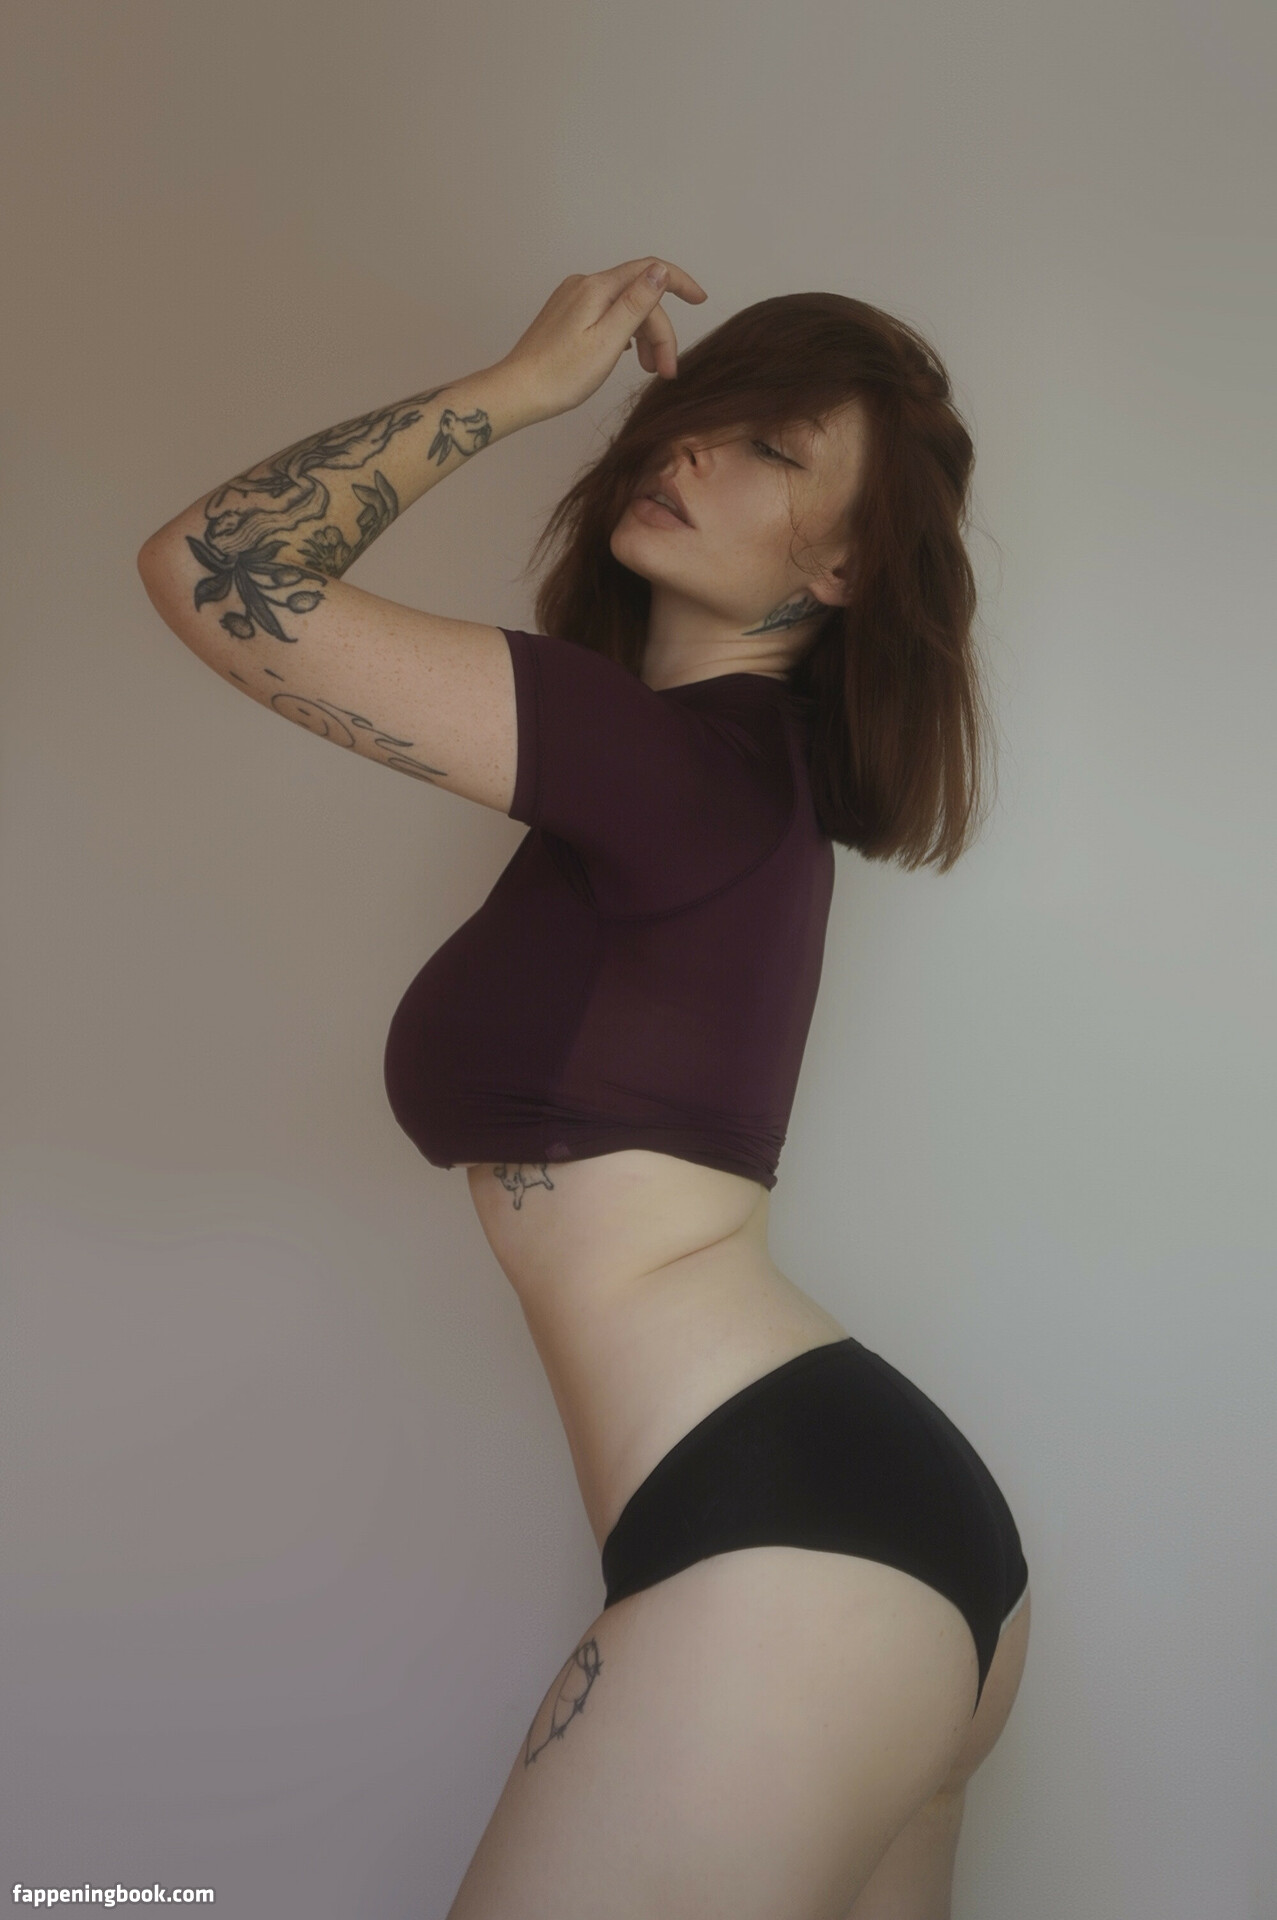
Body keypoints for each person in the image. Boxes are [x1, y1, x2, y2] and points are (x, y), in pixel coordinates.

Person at [137, 256, 1031, 1919]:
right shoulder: (709, 775)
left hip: (794, 1555)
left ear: (842, 565)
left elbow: (212, 565)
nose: (686, 449)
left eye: (769, 449)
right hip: (851, 1533)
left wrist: (519, 385)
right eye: (699, 417)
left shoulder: (682, 763)